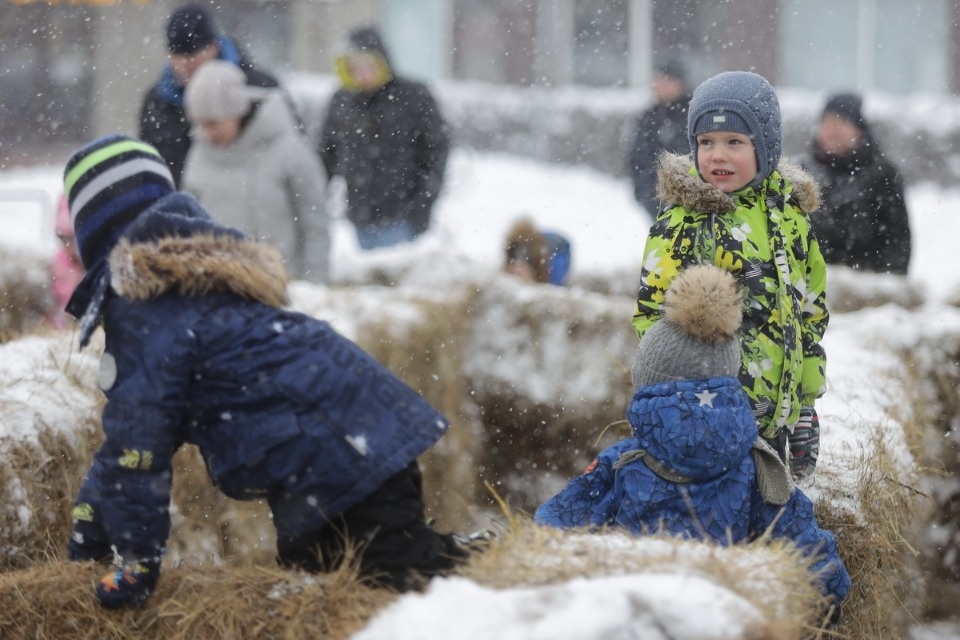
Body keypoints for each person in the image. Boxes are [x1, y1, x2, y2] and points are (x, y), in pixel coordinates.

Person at [61, 135, 470, 609]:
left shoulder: (148, 309)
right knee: (319, 585)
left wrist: (136, 559)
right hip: (347, 446)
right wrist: (92, 519)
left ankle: (499, 593)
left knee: (404, 579)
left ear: (95, 230)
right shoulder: (193, 285)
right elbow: (131, 439)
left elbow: (139, 446)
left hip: (341, 456)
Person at [536, 265, 850, 617]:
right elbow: (805, 548)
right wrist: (827, 598)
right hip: (717, 622)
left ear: (649, 385)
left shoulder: (623, 461)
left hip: (632, 619)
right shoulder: (759, 467)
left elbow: (554, 531)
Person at [631, 71, 829, 482]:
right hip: (706, 416)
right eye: (706, 143)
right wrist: (673, 401)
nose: (717, 155)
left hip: (774, 415)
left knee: (771, 517)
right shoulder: (682, 223)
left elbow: (809, 311)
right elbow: (652, 314)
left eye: (734, 142)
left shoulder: (792, 219)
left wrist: (804, 403)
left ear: (767, 147)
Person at [182, 60, 330, 283]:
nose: (207, 132)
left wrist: (314, 283)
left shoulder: (289, 150)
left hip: (282, 287)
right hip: (218, 290)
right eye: (200, 123)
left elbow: (315, 221)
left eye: (214, 123)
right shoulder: (198, 154)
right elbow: (186, 222)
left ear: (237, 110)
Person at [319, 26, 450, 250]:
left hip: (402, 218)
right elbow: (326, 155)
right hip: (360, 218)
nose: (361, 74)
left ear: (382, 62)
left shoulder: (413, 97)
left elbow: (436, 151)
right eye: (354, 67)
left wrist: (422, 205)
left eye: (367, 65)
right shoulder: (342, 101)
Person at [139, 3, 285, 187]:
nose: (184, 64)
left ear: (214, 47)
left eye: (192, 54)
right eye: (177, 54)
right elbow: (151, 166)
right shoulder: (158, 102)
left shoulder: (260, 90)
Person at [798, 93, 911, 274]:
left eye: (841, 122)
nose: (831, 130)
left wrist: (887, 284)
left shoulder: (882, 174)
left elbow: (896, 238)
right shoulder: (803, 171)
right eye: (826, 122)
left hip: (865, 286)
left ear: (859, 129)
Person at [627, 60, 692, 216]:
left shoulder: (690, 114)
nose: (658, 85)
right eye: (656, 79)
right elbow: (638, 155)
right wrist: (644, 192)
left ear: (678, 83)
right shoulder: (649, 115)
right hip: (652, 198)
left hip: (684, 201)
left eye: (664, 80)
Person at [47, 193, 85, 329]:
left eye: (75, 240)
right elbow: (57, 295)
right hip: (64, 321)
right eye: (67, 240)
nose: (73, 248)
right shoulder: (60, 262)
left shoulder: (93, 263)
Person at [503, 218, 571, 286]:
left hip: (556, 252)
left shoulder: (552, 262)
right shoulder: (515, 248)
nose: (517, 270)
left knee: (554, 283)